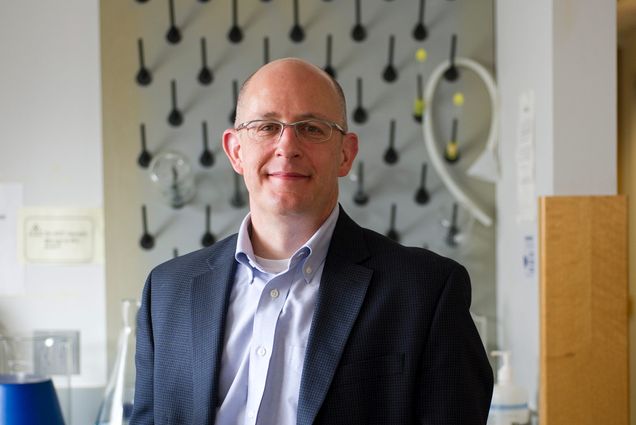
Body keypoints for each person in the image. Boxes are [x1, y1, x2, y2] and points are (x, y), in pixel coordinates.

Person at [130, 58, 493, 425]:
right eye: (267, 126)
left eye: (313, 128)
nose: (287, 146)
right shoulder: (166, 291)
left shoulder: (426, 290)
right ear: (236, 150)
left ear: (346, 154)